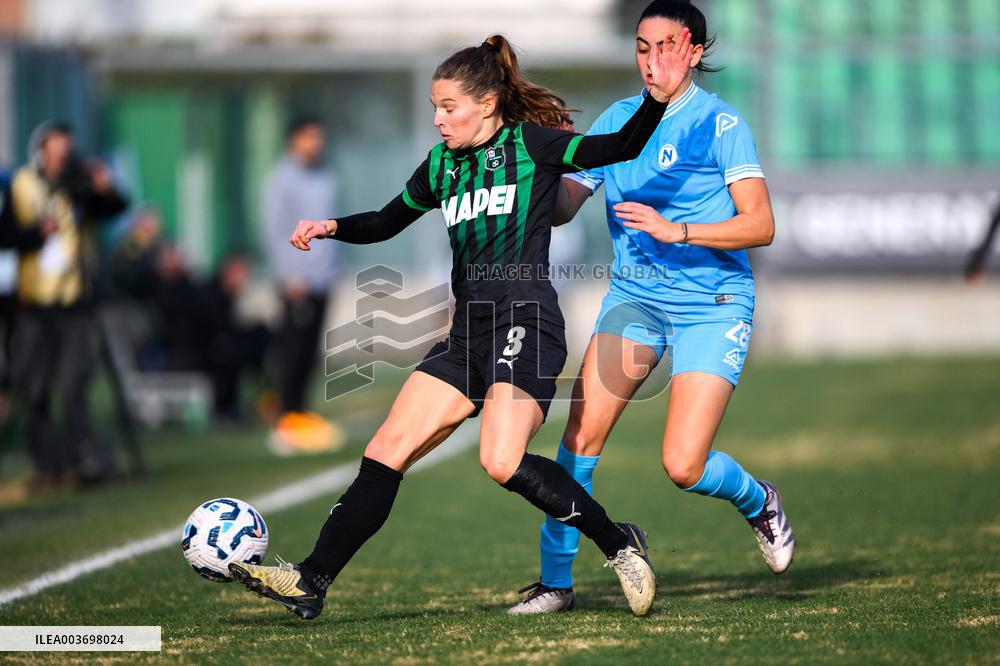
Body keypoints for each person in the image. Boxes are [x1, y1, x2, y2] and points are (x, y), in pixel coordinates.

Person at [227, 31, 694, 620]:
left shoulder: (533, 145)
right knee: (385, 449)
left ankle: (619, 543)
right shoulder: (443, 164)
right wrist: (332, 227)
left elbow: (622, 143)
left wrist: (657, 95)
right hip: (468, 331)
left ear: (487, 103)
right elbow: (386, 220)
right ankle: (311, 579)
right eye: (434, 109)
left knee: (501, 460)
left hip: (527, 319)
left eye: (448, 108)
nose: (439, 121)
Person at [507, 0, 795, 615]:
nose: (652, 60)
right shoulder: (617, 119)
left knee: (683, 465)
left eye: (666, 47)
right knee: (579, 440)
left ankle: (758, 500)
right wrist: (543, 153)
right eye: (642, 47)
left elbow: (762, 224)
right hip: (636, 300)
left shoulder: (721, 125)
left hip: (713, 304)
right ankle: (557, 582)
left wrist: (677, 232)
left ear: (692, 51)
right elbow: (560, 209)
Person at [6, 121, 128, 489]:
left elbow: (113, 207)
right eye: (56, 144)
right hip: (34, 302)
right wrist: (34, 235)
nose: (62, 150)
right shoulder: (22, 183)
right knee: (35, 387)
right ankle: (48, 463)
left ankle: (82, 460)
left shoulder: (78, 184)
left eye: (66, 144)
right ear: (41, 147)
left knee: (74, 385)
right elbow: (6, 234)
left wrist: (105, 187)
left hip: (74, 301)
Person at [262, 117, 340, 449]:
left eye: (318, 137)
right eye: (308, 137)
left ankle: (300, 414)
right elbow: (275, 229)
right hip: (297, 281)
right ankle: (285, 419)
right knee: (293, 352)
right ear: (293, 140)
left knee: (310, 353)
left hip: (323, 279)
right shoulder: (282, 179)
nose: (315, 143)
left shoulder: (326, 176)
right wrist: (289, 274)